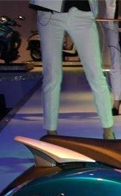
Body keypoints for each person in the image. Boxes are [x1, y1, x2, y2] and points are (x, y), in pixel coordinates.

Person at [29, 0, 114, 139]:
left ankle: (108, 132)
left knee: (96, 74)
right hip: (49, 12)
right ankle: (51, 134)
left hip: (82, 13)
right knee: (52, 76)